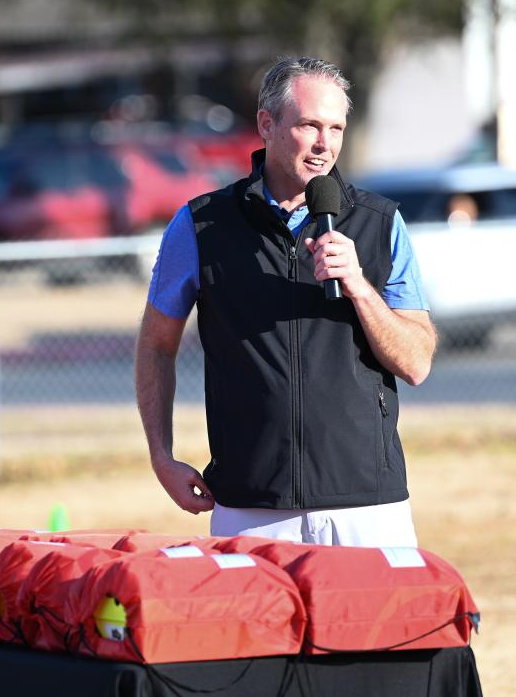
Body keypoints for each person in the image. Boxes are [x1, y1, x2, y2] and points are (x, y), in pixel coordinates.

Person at [134, 56, 436, 547]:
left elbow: (417, 362)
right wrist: (161, 456)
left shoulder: (380, 224)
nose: (324, 144)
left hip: (368, 504)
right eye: (310, 125)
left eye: (336, 128)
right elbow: (155, 346)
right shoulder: (201, 226)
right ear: (266, 125)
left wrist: (358, 285)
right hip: (250, 504)